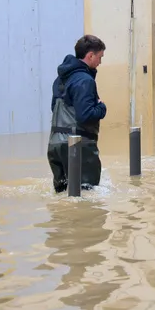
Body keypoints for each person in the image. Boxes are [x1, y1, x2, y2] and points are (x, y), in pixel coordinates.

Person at [47, 35, 108, 192]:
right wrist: (101, 108)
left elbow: (55, 109)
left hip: (55, 146)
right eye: (100, 57)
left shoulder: (60, 79)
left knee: (63, 195)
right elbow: (85, 115)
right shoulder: (85, 81)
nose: (100, 62)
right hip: (79, 147)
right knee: (87, 198)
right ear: (90, 55)